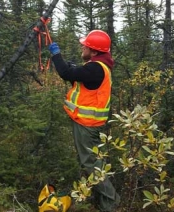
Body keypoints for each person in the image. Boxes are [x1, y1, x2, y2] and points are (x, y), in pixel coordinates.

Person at [48, 30, 120, 212]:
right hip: (92, 125)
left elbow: (66, 73)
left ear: (94, 51)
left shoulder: (95, 68)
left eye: (85, 45)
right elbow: (77, 73)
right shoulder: (99, 66)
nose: (82, 46)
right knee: (95, 163)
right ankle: (102, 202)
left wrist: (56, 55)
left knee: (91, 164)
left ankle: (111, 203)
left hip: (88, 126)